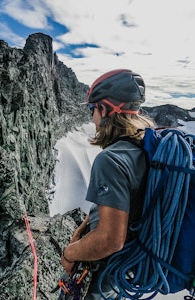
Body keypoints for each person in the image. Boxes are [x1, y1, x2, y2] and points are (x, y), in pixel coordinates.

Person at [59, 69, 155, 299]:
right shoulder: (145, 148)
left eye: (94, 109)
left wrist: (70, 253)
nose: (93, 117)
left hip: (102, 275)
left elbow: (110, 239)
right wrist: (82, 229)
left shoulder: (111, 159)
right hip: (125, 271)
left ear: (104, 109)